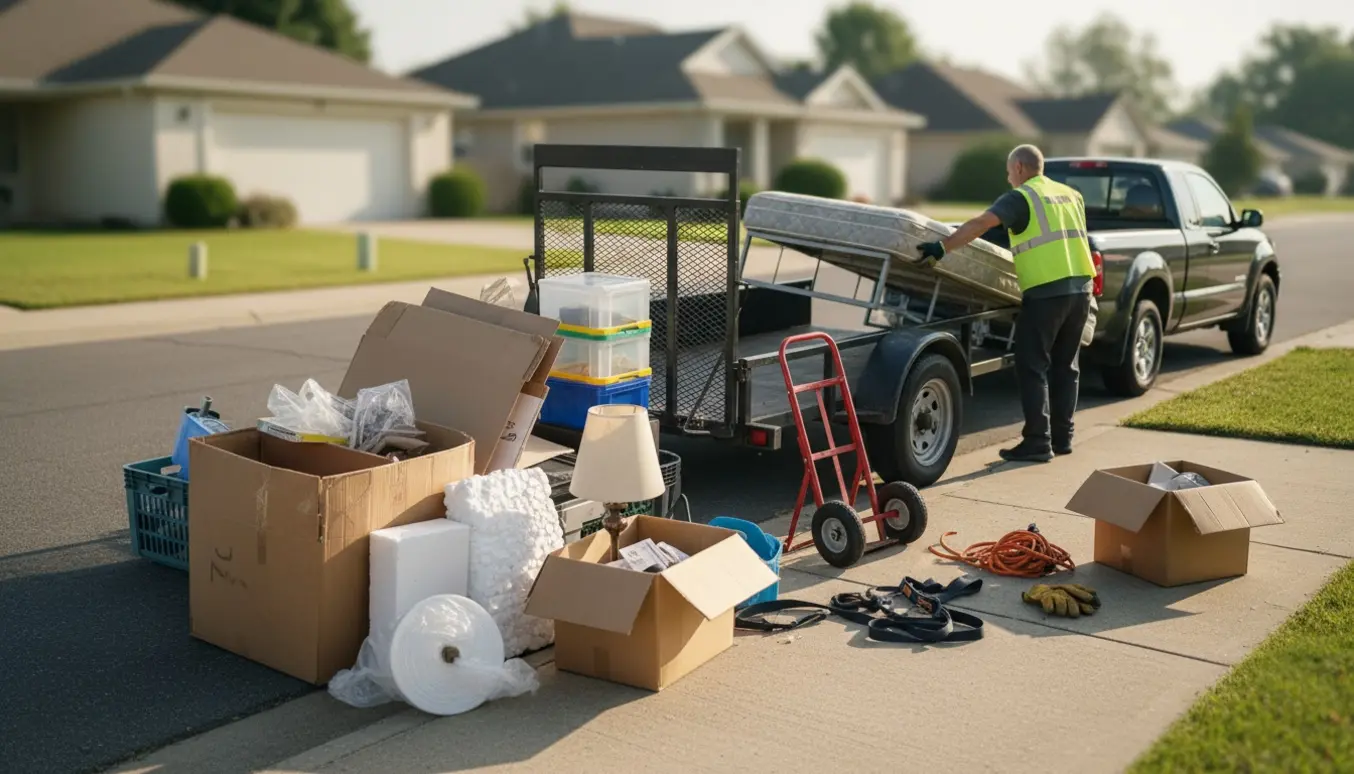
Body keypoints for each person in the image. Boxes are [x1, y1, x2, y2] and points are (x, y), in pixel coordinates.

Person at [916, 144, 1095, 463]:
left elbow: (981, 223)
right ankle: (1063, 437)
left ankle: (1038, 442)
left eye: (1010, 172)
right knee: (1067, 366)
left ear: (1021, 169)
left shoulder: (1021, 196)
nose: (1008, 178)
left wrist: (943, 248)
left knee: (1032, 365)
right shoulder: (1071, 194)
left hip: (1046, 293)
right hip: (1081, 290)